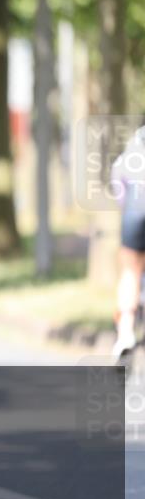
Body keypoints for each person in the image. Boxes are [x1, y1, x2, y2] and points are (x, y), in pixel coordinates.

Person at [112, 126, 145, 357]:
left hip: (135, 209)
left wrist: (126, 207)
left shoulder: (136, 142)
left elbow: (118, 179)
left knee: (130, 272)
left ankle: (126, 332)